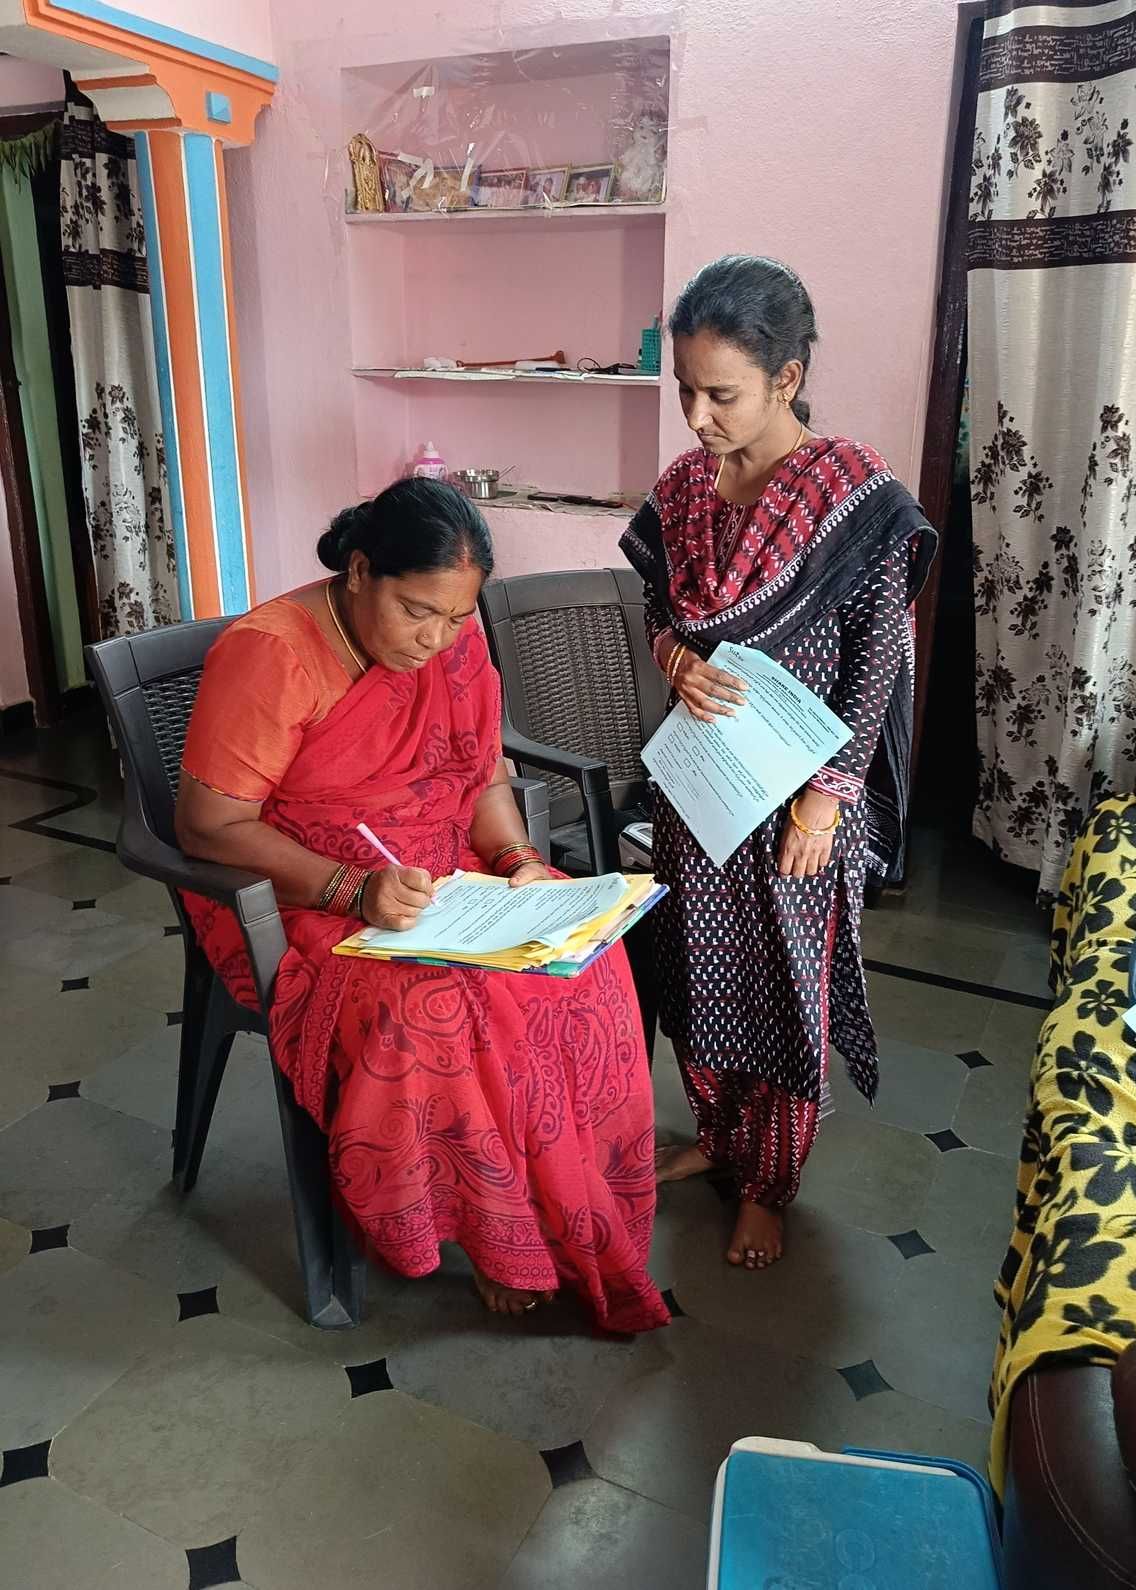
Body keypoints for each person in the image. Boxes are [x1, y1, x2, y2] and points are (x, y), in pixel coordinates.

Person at [175, 478, 668, 1333]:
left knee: (580, 958)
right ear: (360, 570)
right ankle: (488, 1231)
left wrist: (518, 863)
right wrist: (350, 888)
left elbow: (479, 775)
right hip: (294, 892)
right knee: (433, 1010)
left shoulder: (454, 642)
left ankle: (559, 1206)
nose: (436, 639)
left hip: (436, 875)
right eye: (416, 612)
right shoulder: (272, 655)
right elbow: (207, 824)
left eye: (454, 617)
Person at [621, 255, 937, 1271]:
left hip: (799, 800)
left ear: (786, 379)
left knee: (784, 993)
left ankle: (768, 1183)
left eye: (721, 394)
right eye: (685, 390)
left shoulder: (851, 494)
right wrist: (674, 657)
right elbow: (658, 606)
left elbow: (876, 657)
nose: (697, 416)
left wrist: (825, 802)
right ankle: (718, 1141)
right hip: (700, 788)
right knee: (697, 974)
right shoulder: (683, 489)